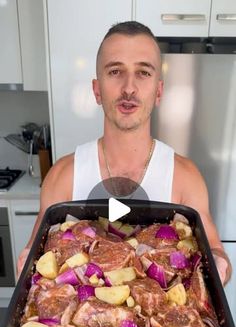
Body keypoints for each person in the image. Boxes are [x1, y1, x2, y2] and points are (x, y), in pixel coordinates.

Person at [17, 21, 231, 284]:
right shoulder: (62, 177)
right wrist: (26, 264)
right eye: (115, 71)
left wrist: (220, 264)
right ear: (97, 90)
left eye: (143, 73)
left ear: (159, 91)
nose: (129, 87)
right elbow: (35, 260)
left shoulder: (185, 177)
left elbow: (217, 252)